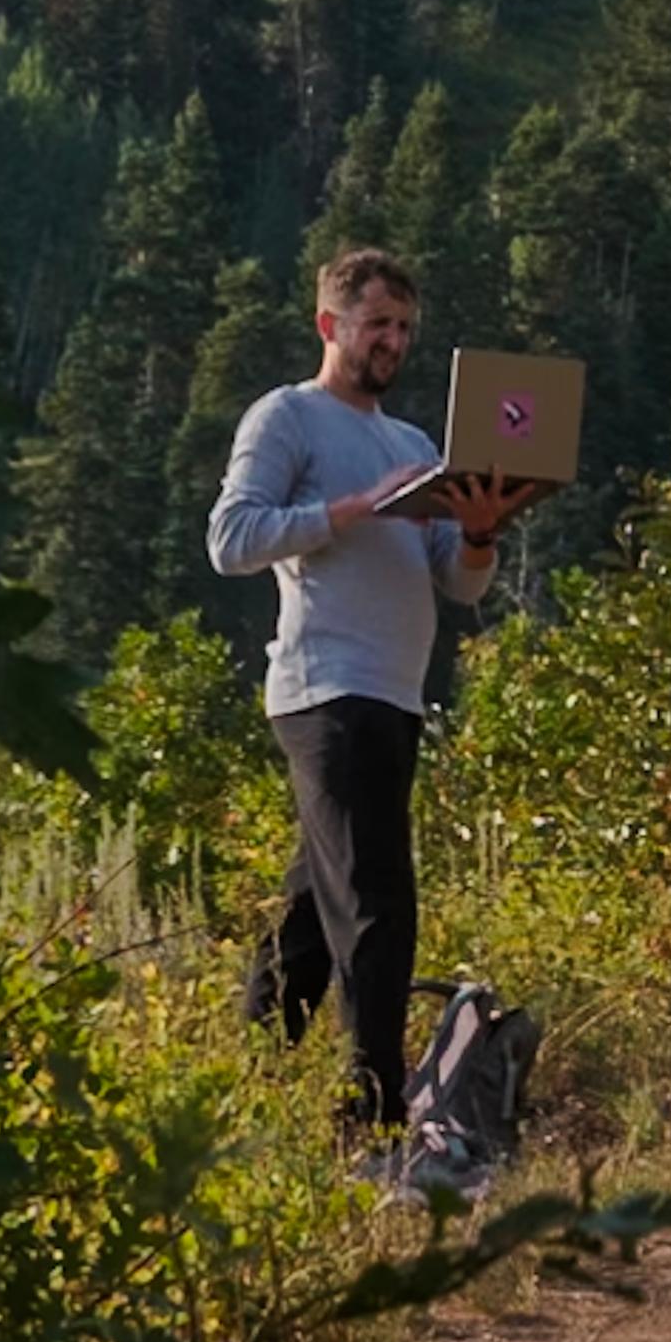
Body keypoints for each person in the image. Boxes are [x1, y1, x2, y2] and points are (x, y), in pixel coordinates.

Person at [206, 241, 523, 1143]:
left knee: (316, 910)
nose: (392, 341)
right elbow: (231, 538)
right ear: (329, 325)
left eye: (404, 328)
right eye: (377, 324)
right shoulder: (289, 418)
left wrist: (479, 532)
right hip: (323, 690)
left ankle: (246, 1092)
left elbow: (458, 589)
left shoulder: (416, 444)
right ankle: (375, 1112)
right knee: (379, 893)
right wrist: (353, 508)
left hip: (394, 695)